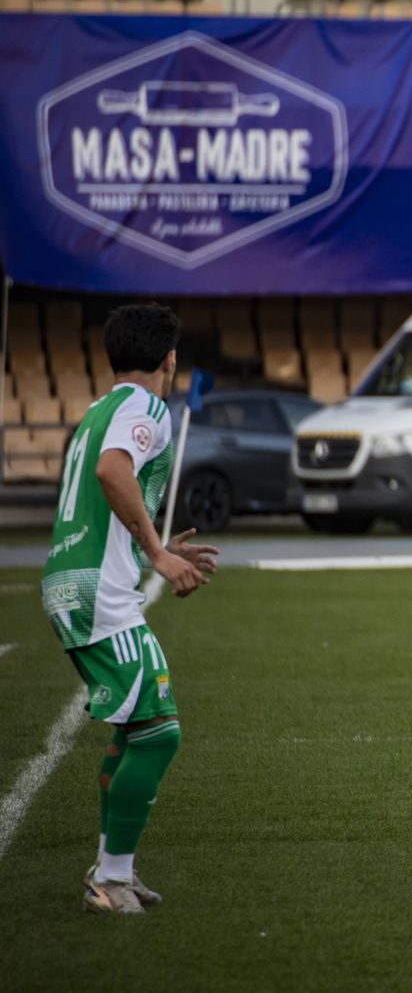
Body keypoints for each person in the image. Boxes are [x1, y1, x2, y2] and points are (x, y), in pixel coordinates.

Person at [39, 304, 219, 914]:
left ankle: (113, 870)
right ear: (169, 359)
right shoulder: (146, 408)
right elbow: (113, 471)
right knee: (159, 731)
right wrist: (157, 554)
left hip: (70, 579)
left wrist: (155, 547)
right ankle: (110, 880)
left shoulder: (98, 410)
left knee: (135, 729)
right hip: (99, 590)